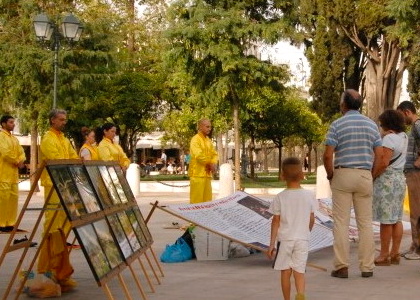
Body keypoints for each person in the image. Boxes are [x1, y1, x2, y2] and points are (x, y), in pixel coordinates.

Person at [323, 89, 382, 278]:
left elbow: (327, 154)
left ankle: (342, 266)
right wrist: (371, 175)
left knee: (341, 222)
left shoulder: (337, 125)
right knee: (365, 222)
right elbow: (380, 155)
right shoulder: (372, 125)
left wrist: (331, 174)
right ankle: (367, 267)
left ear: (343, 105)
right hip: (364, 175)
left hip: (343, 173)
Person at [38, 109, 79, 291]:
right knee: (53, 225)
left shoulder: (63, 138)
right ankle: (48, 269)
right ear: (52, 120)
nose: (64, 122)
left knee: (64, 226)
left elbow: (72, 157)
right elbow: (57, 160)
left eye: (65, 119)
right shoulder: (48, 138)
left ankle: (61, 272)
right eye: (61, 119)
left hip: (65, 185)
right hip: (53, 185)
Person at [267, 157, 316, 300]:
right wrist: (306, 231)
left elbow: (275, 221)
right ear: (302, 175)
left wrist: (271, 244)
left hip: (285, 240)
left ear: (282, 176)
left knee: (285, 272)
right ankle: (300, 295)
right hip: (302, 239)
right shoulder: (309, 196)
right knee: (300, 271)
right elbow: (312, 219)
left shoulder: (280, 197)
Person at [371, 110, 407, 266]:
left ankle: (384, 255)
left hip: (387, 181)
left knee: (386, 220)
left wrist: (373, 176)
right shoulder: (404, 137)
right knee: (396, 218)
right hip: (399, 178)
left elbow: (384, 162)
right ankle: (395, 253)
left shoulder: (389, 139)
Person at [396, 101, 420, 259]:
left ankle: (417, 248)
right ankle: (414, 245)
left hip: (415, 173)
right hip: (413, 171)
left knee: (416, 211)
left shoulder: (417, 125)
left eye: (400, 115)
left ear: (406, 112)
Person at [0, 115, 26, 232]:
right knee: (3, 200)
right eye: (10, 122)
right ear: (3, 124)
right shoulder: (1, 136)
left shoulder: (14, 139)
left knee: (13, 199)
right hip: (3, 174)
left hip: (13, 176)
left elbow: (22, 152)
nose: (13, 124)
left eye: (13, 122)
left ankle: (10, 223)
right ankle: (1, 223)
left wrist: (21, 161)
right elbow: (5, 152)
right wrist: (16, 161)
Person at [188, 118, 218, 204]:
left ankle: (206, 217)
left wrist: (213, 162)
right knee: (196, 202)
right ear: (200, 127)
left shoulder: (208, 140)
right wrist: (210, 163)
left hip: (207, 174)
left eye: (210, 127)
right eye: (207, 127)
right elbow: (199, 156)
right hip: (197, 174)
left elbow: (214, 154)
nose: (209, 129)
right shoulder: (195, 139)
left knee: (207, 201)